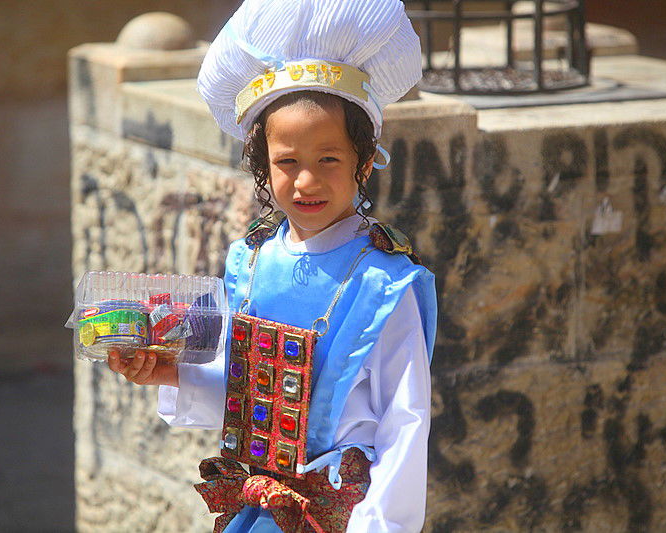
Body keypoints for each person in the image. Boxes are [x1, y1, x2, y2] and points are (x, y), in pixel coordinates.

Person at [108, 0, 437, 531]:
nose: (307, 182)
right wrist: (172, 372)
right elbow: (248, 394)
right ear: (263, 164)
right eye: (288, 162)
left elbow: (405, 421)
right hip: (257, 510)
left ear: (364, 158)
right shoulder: (250, 262)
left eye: (328, 159)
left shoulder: (383, 282)